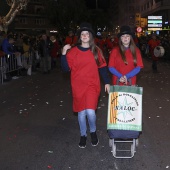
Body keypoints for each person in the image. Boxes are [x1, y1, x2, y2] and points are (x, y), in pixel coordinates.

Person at [61, 22, 110, 148]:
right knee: (81, 113)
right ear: (80, 37)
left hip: (92, 86)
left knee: (90, 112)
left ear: (91, 36)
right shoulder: (72, 52)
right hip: (78, 86)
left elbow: (103, 67)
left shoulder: (96, 51)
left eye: (87, 34)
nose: (84, 35)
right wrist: (63, 54)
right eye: (82, 34)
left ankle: (93, 132)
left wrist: (107, 82)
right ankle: (83, 134)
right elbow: (66, 69)